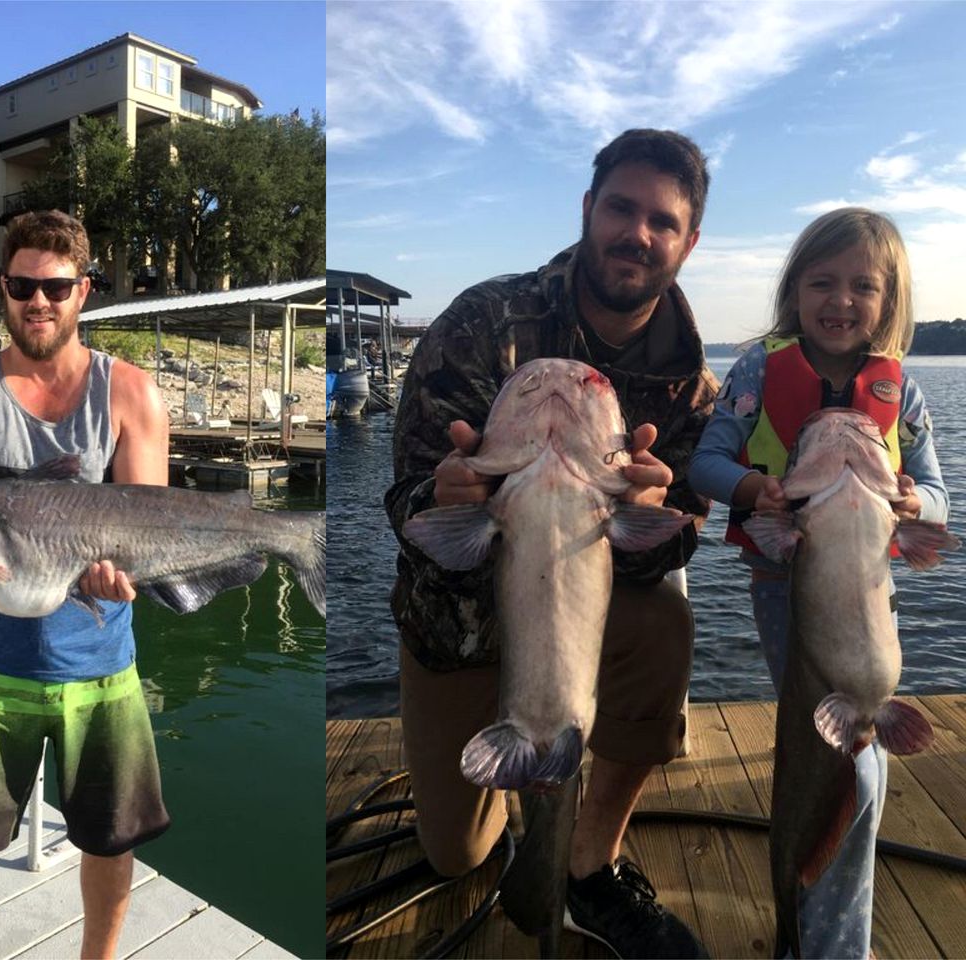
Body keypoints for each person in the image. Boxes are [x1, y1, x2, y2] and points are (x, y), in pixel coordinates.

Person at [385, 129, 718, 958]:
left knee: (668, 617)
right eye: (621, 207)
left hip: (589, 614)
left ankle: (589, 864)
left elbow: (676, 545)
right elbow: (405, 501)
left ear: (689, 242)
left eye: (662, 221)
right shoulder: (481, 320)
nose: (637, 232)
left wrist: (650, 511)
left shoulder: (691, 385)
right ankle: (508, 784)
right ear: (587, 209)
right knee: (455, 854)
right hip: (459, 619)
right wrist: (445, 492)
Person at [0, 209, 170, 959]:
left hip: (103, 673)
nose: (37, 302)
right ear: (4, 290)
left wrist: (125, 578)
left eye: (54, 286)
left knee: (110, 844)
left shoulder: (133, 395)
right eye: (22, 286)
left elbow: (147, 526)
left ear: (83, 291)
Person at [689, 207, 947, 959]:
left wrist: (912, 503)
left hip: (868, 592)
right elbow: (707, 462)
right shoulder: (756, 371)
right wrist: (752, 492)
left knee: (853, 768)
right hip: (785, 585)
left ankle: (823, 935)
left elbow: (937, 493)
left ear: (888, 299)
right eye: (822, 283)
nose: (841, 301)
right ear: (794, 291)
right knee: (847, 766)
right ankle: (830, 942)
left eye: (862, 286)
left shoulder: (904, 392)